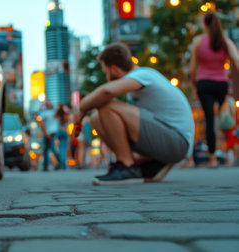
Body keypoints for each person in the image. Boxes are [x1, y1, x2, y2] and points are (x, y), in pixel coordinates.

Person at [74, 42, 194, 185]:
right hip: (171, 141)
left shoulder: (142, 75)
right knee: (96, 118)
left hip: (178, 142)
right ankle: (148, 164)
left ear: (115, 69)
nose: (107, 77)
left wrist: (81, 108)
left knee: (106, 106)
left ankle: (127, 167)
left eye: (106, 72)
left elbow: (107, 91)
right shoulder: (139, 80)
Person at [189, 11, 239, 167]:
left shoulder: (198, 41)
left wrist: (194, 85)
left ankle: (212, 158)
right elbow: (236, 60)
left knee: (209, 120)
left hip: (204, 83)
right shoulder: (225, 41)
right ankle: (233, 152)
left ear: (204, 24)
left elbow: (192, 68)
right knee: (226, 118)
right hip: (221, 84)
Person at [38, 99, 60, 171]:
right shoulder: (54, 112)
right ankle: (48, 165)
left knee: (48, 149)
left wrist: (46, 133)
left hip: (49, 132)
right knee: (49, 148)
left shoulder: (45, 113)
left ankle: (48, 165)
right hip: (52, 132)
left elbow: (41, 123)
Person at [55, 104, 70, 170]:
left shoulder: (57, 115)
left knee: (60, 149)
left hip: (59, 132)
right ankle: (63, 165)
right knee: (63, 149)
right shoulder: (66, 115)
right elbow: (69, 120)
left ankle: (61, 164)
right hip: (64, 131)